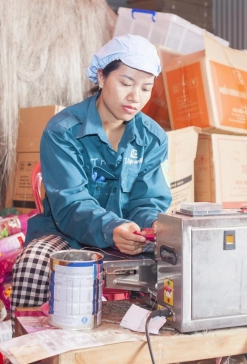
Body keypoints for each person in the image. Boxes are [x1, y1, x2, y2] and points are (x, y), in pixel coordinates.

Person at [10, 34, 172, 324]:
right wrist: (112, 228)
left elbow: (146, 199)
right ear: (101, 76)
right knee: (34, 263)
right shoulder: (62, 131)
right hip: (66, 235)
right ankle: (31, 348)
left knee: (177, 269)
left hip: (128, 239)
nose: (136, 96)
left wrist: (153, 225)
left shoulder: (152, 138)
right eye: (125, 83)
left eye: (146, 88)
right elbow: (70, 205)